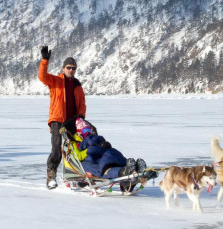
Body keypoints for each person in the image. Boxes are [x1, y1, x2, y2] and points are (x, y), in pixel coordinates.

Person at [38, 46, 86, 190]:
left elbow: (82, 103)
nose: (71, 70)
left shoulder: (77, 85)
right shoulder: (55, 81)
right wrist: (45, 60)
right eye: (69, 67)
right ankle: (51, 177)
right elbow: (42, 76)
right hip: (57, 120)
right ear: (63, 68)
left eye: (73, 68)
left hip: (72, 122)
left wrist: (81, 116)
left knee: (74, 149)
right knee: (57, 149)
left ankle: (74, 176)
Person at [72, 118, 146, 180]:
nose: (88, 133)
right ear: (79, 132)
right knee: (106, 170)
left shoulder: (94, 138)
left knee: (111, 155)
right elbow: (77, 156)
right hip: (88, 162)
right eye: (85, 131)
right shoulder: (74, 142)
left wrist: (105, 145)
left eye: (89, 130)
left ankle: (133, 167)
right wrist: (90, 149)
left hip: (102, 156)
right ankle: (126, 171)